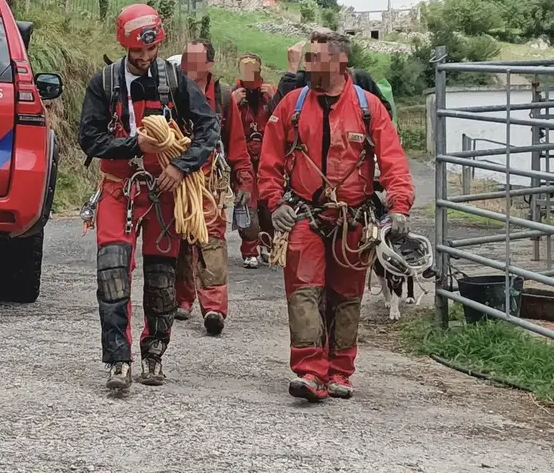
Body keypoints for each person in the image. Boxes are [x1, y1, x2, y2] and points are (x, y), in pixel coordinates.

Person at [258, 31, 414, 402]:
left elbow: (393, 160)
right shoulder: (292, 105)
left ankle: (341, 370)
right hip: (304, 214)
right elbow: (270, 159)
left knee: (346, 296)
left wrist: (399, 205)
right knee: (304, 293)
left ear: (340, 63)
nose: (309, 65)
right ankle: (311, 371)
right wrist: (274, 201)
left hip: (353, 220)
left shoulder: (368, 108)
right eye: (309, 57)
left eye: (317, 58)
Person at [78, 4, 221, 391]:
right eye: (136, 52)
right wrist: (131, 144)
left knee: (161, 280)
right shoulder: (104, 82)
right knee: (112, 275)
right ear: (123, 45)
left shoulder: (175, 81)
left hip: (164, 191)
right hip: (117, 188)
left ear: (158, 44)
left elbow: (209, 128)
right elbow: (88, 138)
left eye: (151, 50)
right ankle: (118, 361)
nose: (143, 58)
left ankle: (153, 355)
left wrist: (181, 166)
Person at [173, 40, 255, 336]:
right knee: (179, 240)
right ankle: (182, 299)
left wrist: (244, 180)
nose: (189, 68)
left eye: (196, 62)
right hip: (176, 178)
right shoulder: (170, 92)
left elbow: (236, 144)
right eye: (186, 61)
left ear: (210, 64)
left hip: (210, 184)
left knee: (212, 242)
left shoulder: (223, 98)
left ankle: (214, 308)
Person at [270, 36, 394, 121]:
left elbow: (385, 115)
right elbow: (274, 114)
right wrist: (292, 68)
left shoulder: (360, 78)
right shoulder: (304, 80)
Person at [231, 53, 277, 268]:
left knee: (269, 204)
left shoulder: (270, 94)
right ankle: (249, 250)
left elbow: (284, 123)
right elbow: (223, 124)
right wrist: (233, 104)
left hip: (267, 157)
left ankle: (268, 245)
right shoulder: (233, 95)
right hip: (243, 157)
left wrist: (274, 100)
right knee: (246, 204)